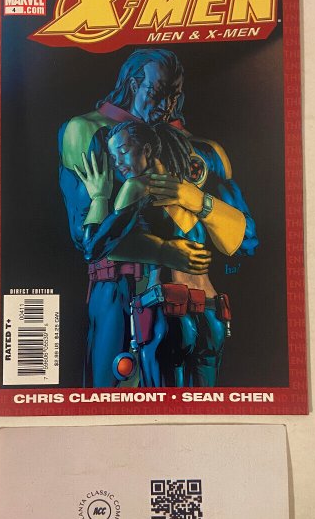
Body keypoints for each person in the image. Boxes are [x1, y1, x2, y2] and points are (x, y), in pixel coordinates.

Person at [59, 49, 213, 387]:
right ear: (133, 84)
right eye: (157, 93)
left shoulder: (183, 143)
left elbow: (239, 237)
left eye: (174, 96)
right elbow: (88, 240)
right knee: (113, 394)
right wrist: (165, 251)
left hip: (181, 296)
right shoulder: (86, 130)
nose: (166, 106)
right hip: (118, 289)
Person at [77, 120, 256, 387]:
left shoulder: (137, 187)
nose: (118, 163)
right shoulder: (188, 190)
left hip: (169, 314)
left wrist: (99, 198)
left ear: (147, 149)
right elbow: (239, 244)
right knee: (204, 403)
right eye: (113, 158)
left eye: (123, 151)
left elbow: (94, 247)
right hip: (211, 315)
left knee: (164, 401)